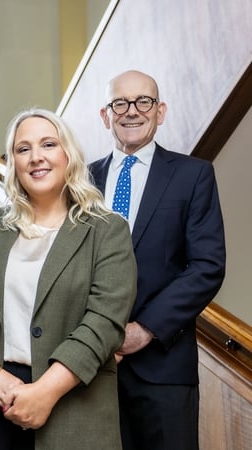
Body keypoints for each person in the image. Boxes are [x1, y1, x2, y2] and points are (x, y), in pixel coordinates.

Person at [0, 108, 137, 450]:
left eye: (48, 144)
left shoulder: (107, 230)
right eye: (22, 148)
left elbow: (104, 321)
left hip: (71, 405)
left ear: (68, 155)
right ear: (13, 162)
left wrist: (45, 392)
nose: (36, 157)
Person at [89, 69, 226, 450]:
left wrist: (144, 330)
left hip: (164, 367)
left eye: (143, 101)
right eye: (120, 103)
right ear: (105, 115)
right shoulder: (81, 181)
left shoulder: (193, 175)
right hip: (92, 369)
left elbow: (207, 266)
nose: (131, 111)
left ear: (160, 111)